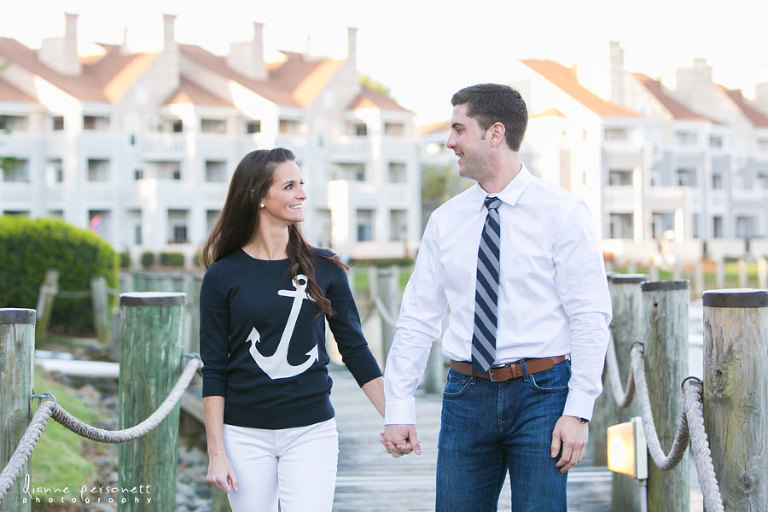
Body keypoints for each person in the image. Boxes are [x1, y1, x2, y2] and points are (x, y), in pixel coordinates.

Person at [381, 84, 612, 511]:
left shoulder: (562, 213)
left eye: (458, 129)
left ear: (495, 133)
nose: (449, 141)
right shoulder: (446, 221)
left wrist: (578, 411)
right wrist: (399, 406)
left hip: (543, 394)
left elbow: (590, 317)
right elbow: (417, 318)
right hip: (465, 394)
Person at [199, 148, 385, 512]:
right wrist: (216, 453)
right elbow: (215, 368)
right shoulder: (222, 276)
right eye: (289, 186)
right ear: (257, 197)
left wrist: (395, 417)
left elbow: (355, 350)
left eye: (302, 184)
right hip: (243, 435)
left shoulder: (325, 268)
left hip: (311, 430)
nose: (302, 194)